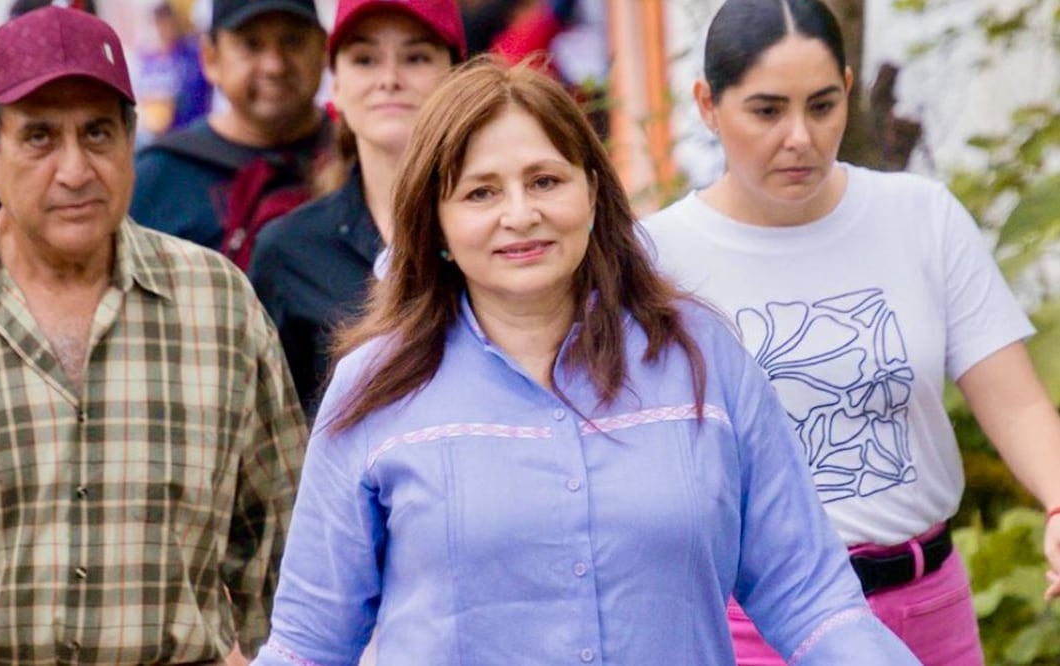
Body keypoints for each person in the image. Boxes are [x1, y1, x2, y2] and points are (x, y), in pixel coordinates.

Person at [249, 58, 920, 665]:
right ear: (438, 222)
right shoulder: (374, 387)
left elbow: (809, 596)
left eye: (545, 180)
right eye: (479, 193)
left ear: (594, 195)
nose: (520, 214)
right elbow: (310, 644)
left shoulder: (701, 359)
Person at [640, 0, 1060, 664]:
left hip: (927, 606)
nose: (800, 137)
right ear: (706, 104)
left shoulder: (920, 215)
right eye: (766, 110)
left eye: (822, 105)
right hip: (757, 627)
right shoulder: (655, 260)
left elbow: (1013, 398)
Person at [0, 7, 305, 664]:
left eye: (98, 133)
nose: (74, 170)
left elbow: (281, 540)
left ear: (134, 143)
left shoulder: (217, 304)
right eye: (40, 137)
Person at [247, 0, 467, 416]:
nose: (389, 79)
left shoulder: (497, 229)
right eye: (364, 59)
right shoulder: (288, 251)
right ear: (336, 87)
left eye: (416, 57)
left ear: (457, 77)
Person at [130, 0, 333, 258]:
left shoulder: (361, 156)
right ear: (211, 57)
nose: (274, 66)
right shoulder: (158, 176)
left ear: (324, 49)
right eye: (251, 44)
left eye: (293, 41)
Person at [135, 2, 212, 143]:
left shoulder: (192, 54)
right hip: (162, 135)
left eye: (167, 23)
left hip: (194, 129)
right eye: (160, 24)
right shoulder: (148, 60)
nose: (164, 29)